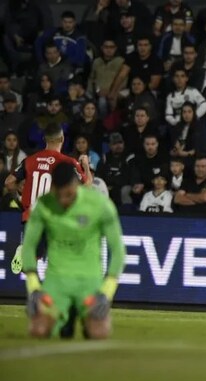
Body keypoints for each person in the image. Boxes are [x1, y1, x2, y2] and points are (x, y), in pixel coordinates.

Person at [20, 162, 124, 339]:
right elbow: (28, 246)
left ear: (77, 185)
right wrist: (34, 289)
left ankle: (82, 316)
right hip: (56, 281)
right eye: (58, 195)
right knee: (38, 331)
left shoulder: (99, 204)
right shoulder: (43, 205)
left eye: (68, 194)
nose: (63, 200)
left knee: (99, 333)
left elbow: (118, 251)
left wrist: (106, 293)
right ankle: (65, 315)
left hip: (89, 280)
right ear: (52, 188)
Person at [5, 123, 91, 273]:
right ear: (62, 139)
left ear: (45, 139)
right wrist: (86, 166)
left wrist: (20, 196)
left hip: (31, 214)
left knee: (33, 258)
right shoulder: (67, 162)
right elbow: (87, 186)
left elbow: (9, 182)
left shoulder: (30, 160)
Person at [2, 0, 53, 75]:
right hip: (20, 32)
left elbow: (46, 18)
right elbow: (8, 21)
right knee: (6, 39)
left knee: (41, 40)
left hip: (36, 31)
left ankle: (37, 68)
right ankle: (16, 67)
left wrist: (42, 31)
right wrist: (14, 35)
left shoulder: (39, 3)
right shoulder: (12, 3)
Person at [108, 36, 162, 103]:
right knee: (115, 98)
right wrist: (113, 92)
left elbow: (154, 84)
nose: (142, 48)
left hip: (148, 90)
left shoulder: (156, 60)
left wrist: (139, 89)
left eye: (145, 45)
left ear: (150, 47)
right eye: (140, 45)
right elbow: (121, 76)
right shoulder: (132, 57)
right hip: (131, 89)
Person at [127, 134, 169, 205]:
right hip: (141, 188)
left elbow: (163, 178)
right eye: (147, 144)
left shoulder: (163, 159)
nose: (150, 147)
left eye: (153, 144)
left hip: (156, 187)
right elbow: (134, 174)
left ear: (157, 144)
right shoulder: (138, 159)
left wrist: (145, 184)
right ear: (144, 145)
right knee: (127, 190)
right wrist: (136, 184)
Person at [88, 38, 125, 117]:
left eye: (111, 47)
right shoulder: (96, 62)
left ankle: (105, 124)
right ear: (102, 48)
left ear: (115, 48)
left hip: (115, 93)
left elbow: (124, 80)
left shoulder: (120, 62)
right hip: (98, 92)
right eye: (106, 47)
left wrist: (111, 92)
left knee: (102, 101)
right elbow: (91, 79)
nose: (109, 50)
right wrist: (95, 91)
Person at [96, 133, 131, 206]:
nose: (118, 146)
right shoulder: (104, 158)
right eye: (114, 143)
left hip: (122, 187)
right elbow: (99, 176)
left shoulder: (129, 157)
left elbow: (128, 177)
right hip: (106, 187)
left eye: (120, 143)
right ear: (109, 145)